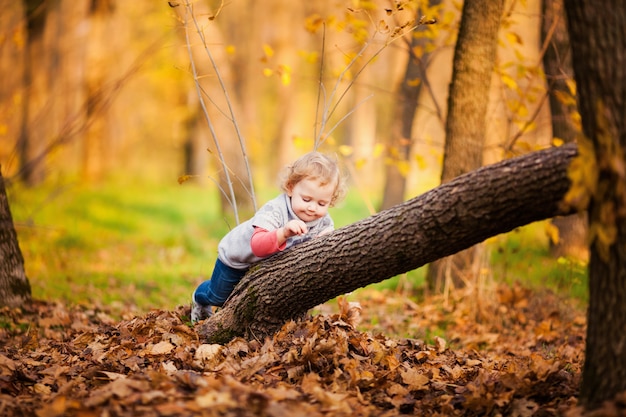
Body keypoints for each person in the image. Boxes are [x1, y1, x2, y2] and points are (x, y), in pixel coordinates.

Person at [191, 151, 346, 323]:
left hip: (267, 266)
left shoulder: (323, 221)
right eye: (306, 199)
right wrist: (284, 233)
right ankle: (199, 296)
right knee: (219, 297)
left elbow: (328, 244)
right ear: (291, 187)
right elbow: (258, 246)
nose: (312, 208)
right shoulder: (276, 210)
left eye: (321, 203)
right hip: (237, 259)